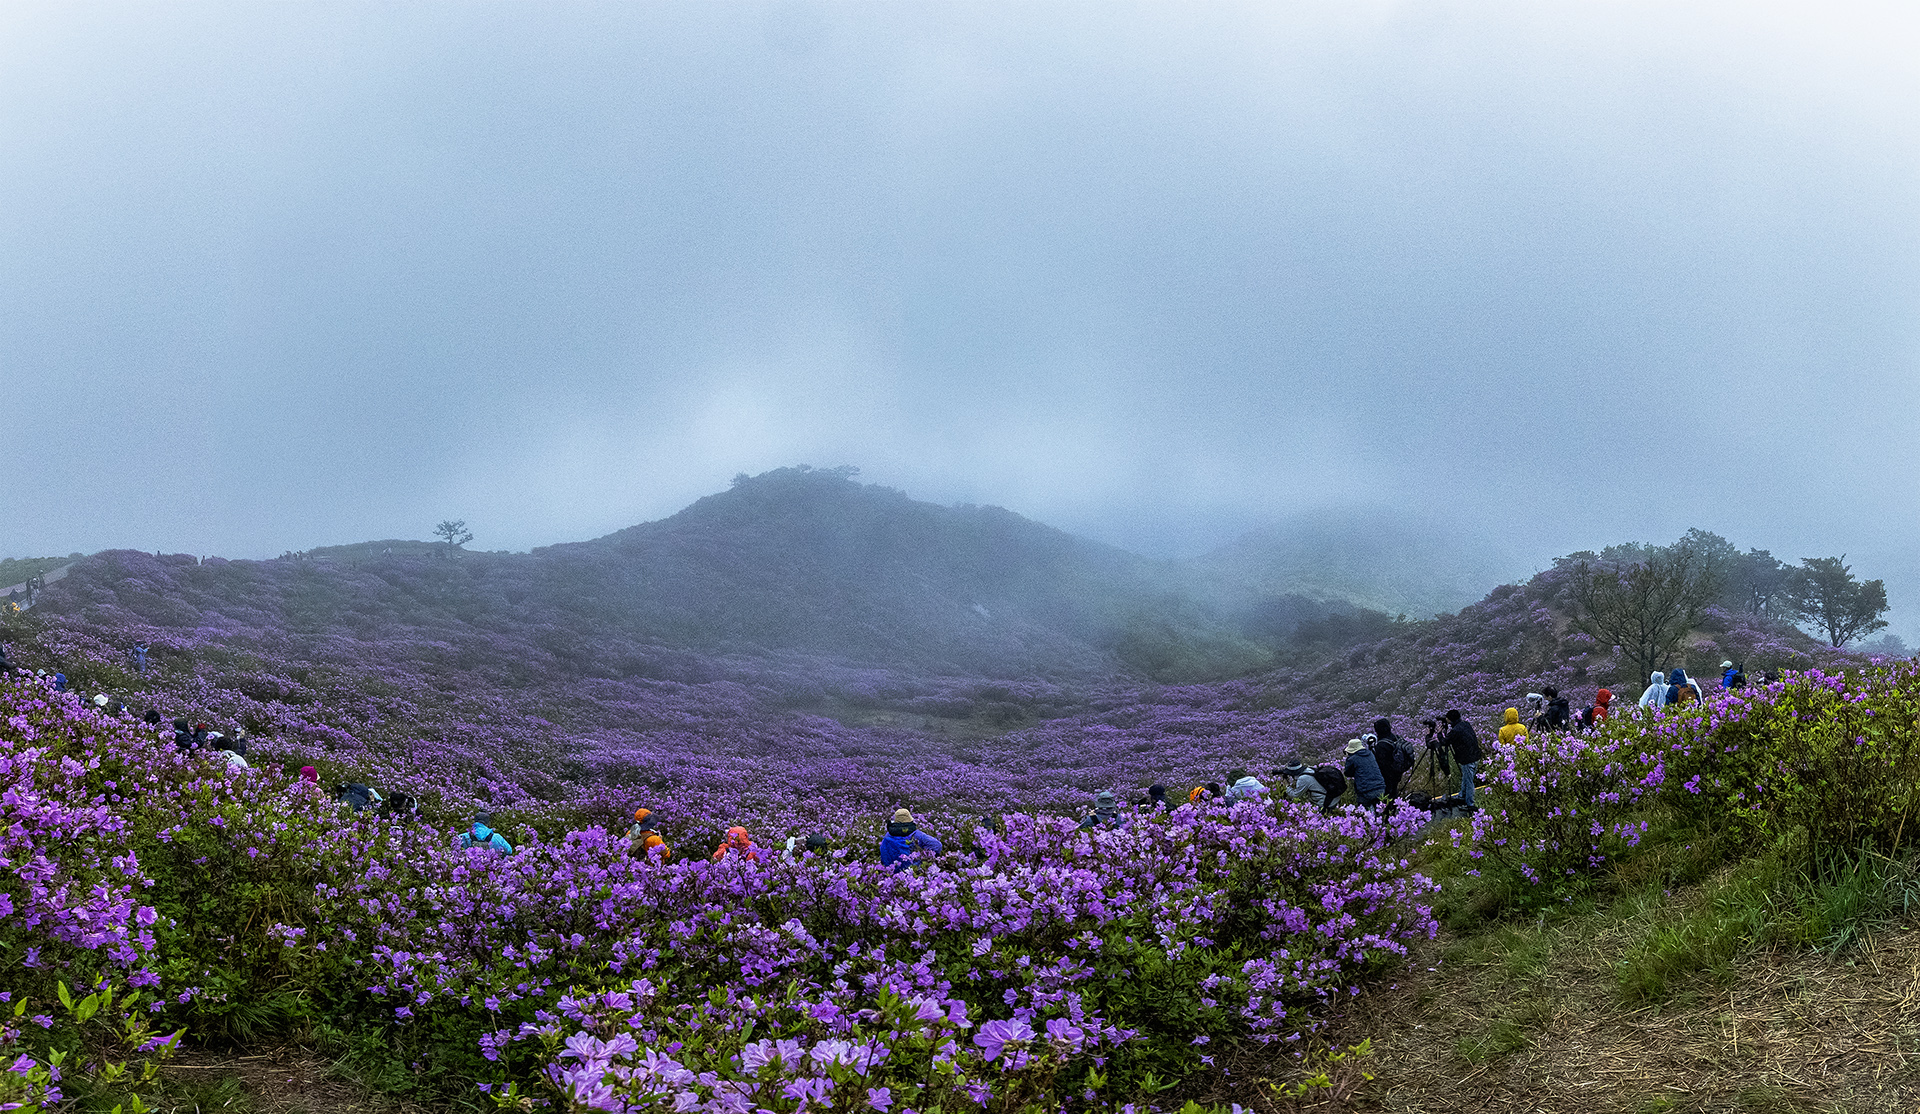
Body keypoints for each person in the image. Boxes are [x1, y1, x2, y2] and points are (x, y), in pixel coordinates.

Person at [1443, 709, 1483, 808]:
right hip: (1475, 756)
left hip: (1467, 759)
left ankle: (1470, 803)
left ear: (1450, 720)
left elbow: (1445, 742)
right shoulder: (1466, 724)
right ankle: (1462, 795)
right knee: (1466, 777)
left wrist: (1440, 733)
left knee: (1469, 781)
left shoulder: (1455, 731)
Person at [1371, 718, 1414, 800]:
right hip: (1398, 771)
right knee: (1394, 790)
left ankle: (1389, 806)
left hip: (1388, 775)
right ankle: (1395, 802)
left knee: (1388, 794)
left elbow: (1382, 765)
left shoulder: (1381, 745)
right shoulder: (1396, 738)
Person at [1343, 738, 1385, 807]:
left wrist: (1349, 758)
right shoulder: (1370, 753)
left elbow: (1347, 773)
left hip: (1366, 790)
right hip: (1380, 787)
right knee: (1379, 809)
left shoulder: (1352, 758)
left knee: (1364, 811)